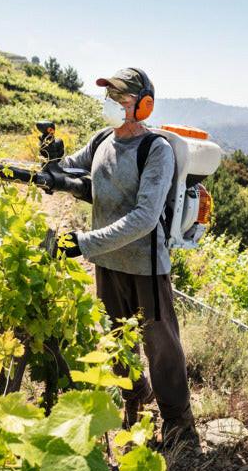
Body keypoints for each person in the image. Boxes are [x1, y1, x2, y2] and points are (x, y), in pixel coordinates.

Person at [51, 68, 197, 449]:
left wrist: (83, 243)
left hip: (145, 266)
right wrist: (52, 163)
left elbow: (145, 218)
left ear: (143, 106)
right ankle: (136, 394)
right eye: (109, 97)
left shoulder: (156, 151)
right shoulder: (101, 140)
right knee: (116, 338)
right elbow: (71, 165)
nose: (112, 105)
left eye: (121, 99)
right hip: (107, 261)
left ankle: (178, 419)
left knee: (160, 345)